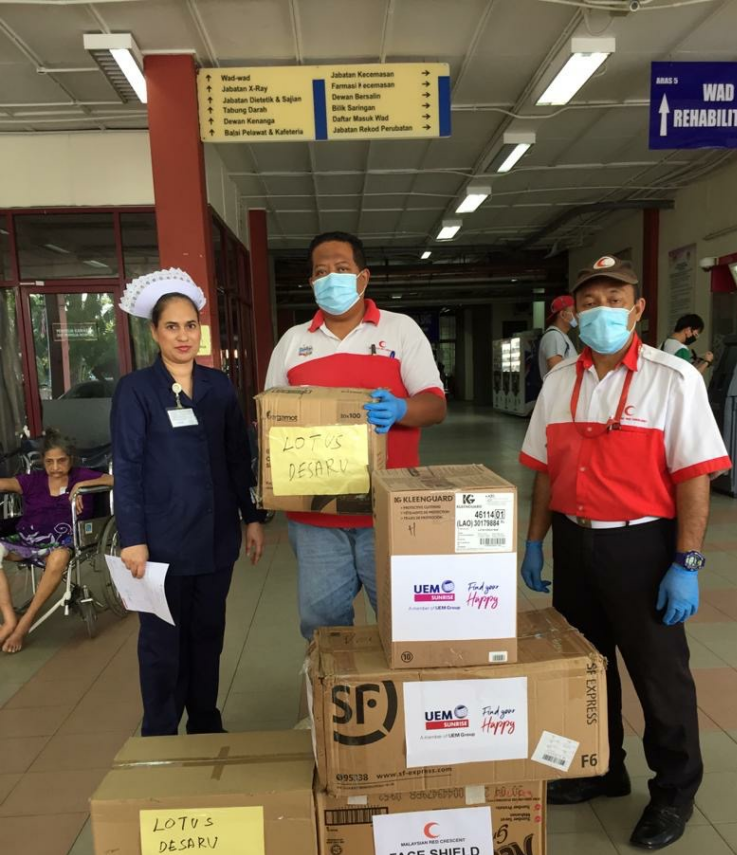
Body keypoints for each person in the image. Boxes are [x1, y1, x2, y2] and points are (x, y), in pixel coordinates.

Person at [519, 255, 731, 851]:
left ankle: (674, 791)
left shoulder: (673, 379)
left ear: (637, 309)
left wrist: (685, 563)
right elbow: (542, 470)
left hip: (642, 543)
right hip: (575, 541)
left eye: (615, 299)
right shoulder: (560, 382)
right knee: (589, 669)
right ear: (574, 313)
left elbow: (694, 475)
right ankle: (599, 769)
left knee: (659, 675)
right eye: (590, 302)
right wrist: (534, 541)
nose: (602, 311)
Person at [265, 231, 446, 640]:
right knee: (322, 626)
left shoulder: (400, 331)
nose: (331, 278)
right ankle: (334, 699)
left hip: (389, 509)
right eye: (320, 272)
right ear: (311, 282)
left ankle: (400, 700)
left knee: (403, 625)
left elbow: (435, 406)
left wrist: (402, 408)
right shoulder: (293, 343)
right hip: (315, 517)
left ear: (363, 278)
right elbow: (272, 419)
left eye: (342, 269)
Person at [112, 269, 268, 736]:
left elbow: (238, 457)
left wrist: (253, 517)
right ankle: (159, 729)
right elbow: (129, 465)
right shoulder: (136, 390)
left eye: (191, 326)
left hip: (216, 538)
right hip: (160, 545)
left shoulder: (218, 386)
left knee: (208, 636)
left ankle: (205, 721)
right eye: (172, 326)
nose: (183, 336)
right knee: (162, 643)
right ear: (154, 332)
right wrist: (133, 539)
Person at [0, 429, 112, 653]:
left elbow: (113, 479)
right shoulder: (33, 481)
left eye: (61, 460)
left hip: (63, 542)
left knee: (59, 556)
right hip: (28, 540)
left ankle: (24, 623)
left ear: (70, 459)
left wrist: (82, 488)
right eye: (49, 461)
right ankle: (9, 619)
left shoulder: (81, 476)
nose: (55, 467)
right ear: (42, 461)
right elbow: (5, 483)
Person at [537, 295, 578, 379]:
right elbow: (556, 370)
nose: (577, 315)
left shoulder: (561, 335)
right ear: (563, 314)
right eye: (574, 311)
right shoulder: (554, 336)